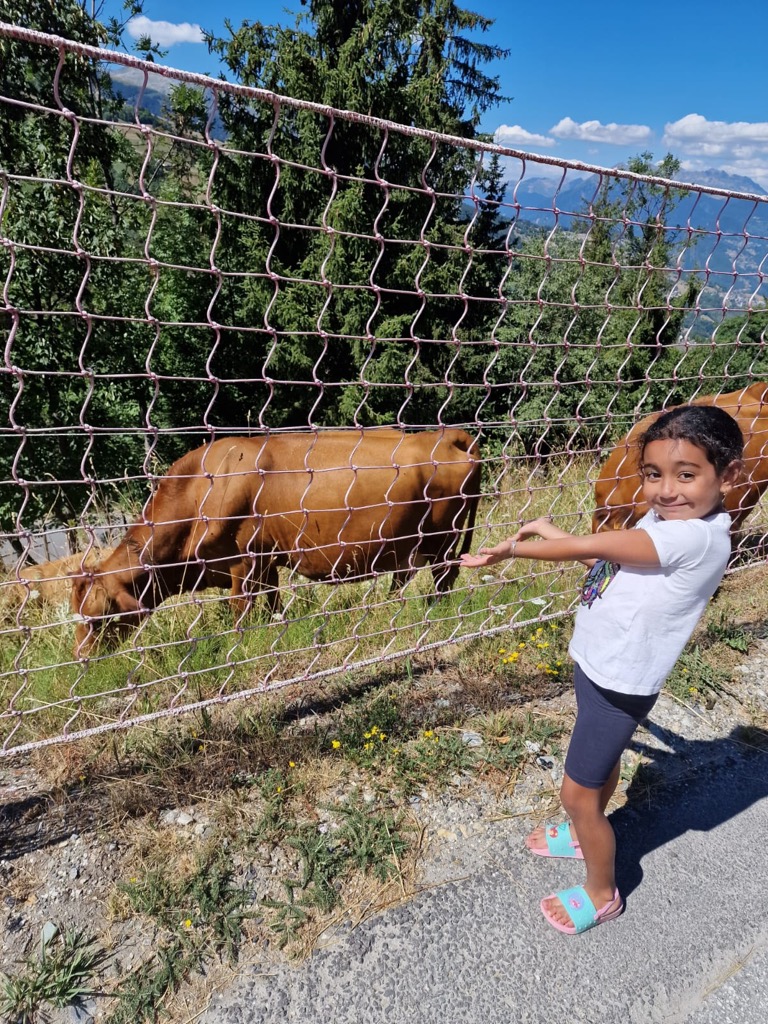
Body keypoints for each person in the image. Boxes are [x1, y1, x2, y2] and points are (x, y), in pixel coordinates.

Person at [460, 404, 745, 935]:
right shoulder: (668, 521)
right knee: (596, 774)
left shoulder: (694, 537)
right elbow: (611, 563)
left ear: (727, 475)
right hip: (601, 666)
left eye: (686, 475)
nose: (666, 490)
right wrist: (552, 531)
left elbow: (595, 545)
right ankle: (585, 824)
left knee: (575, 792)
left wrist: (518, 550)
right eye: (653, 475)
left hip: (620, 683)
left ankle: (602, 890)